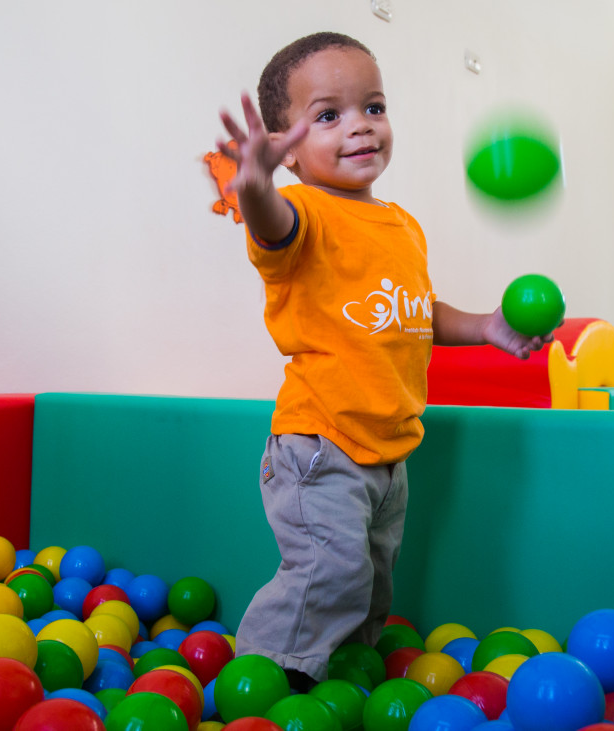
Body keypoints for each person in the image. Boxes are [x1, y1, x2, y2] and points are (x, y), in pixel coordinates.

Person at [216, 31, 551, 691]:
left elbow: (417, 313)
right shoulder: (302, 211)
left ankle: (345, 671)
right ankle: (265, 679)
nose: (361, 126)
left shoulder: (401, 225)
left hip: (388, 448)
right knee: (329, 570)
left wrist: (485, 327)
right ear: (287, 148)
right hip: (322, 442)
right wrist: (254, 184)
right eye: (328, 115)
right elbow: (271, 225)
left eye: (373, 106)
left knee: (370, 576)